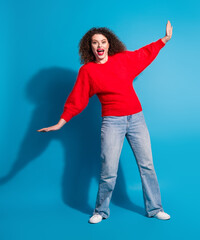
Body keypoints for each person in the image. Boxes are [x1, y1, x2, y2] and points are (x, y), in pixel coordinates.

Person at [38, 20, 173, 224]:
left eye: (103, 41)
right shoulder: (88, 71)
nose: (99, 45)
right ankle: (101, 211)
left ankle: (155, 209)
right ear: (89, 47)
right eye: (95, 42)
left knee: (147, 165)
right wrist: (60, 123)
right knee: (108, 169)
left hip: (137, 118)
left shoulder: (123, 59)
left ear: (109, 44)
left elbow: (144, 54)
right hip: (112, 122)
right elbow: (77, 99)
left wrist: (164, 40)